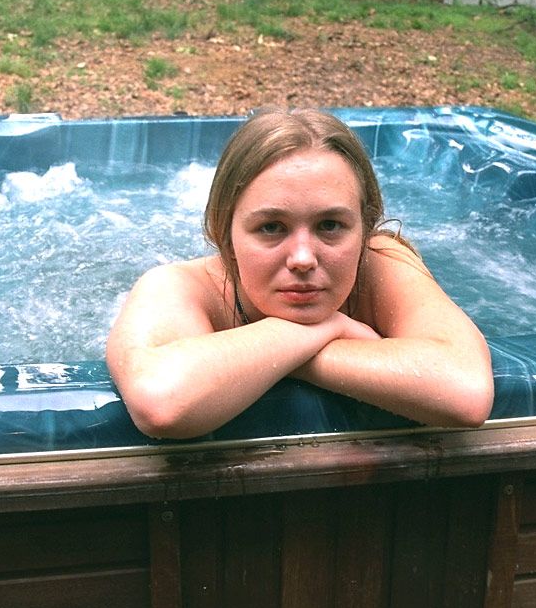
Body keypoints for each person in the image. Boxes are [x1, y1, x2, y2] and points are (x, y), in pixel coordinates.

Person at [106, 108, 493, 439]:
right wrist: (325, 329)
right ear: (226, 235)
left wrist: (280, 355)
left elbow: (466, 391)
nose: (304, 258)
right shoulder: (179, 287)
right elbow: (162, 402)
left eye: (330, 225)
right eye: (271, 227)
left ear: (365, 230)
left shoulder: (379, 262)